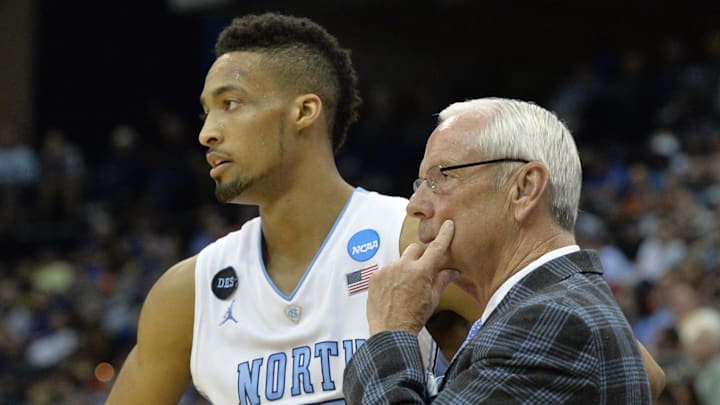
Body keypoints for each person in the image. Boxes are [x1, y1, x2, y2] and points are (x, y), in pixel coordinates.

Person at [106, 13, 475, 404]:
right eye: (206, 112)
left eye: (230, 103)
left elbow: (538, 361)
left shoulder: (415, 241)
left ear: (303, 112)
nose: (206, 132)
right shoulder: (187, 294)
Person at [343, 98, 654, 403]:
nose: (416, 205)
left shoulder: (552, 321)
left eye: (441, 177)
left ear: (525, 188)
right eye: (421, 183)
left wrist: (392, 328)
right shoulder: (554, 309)